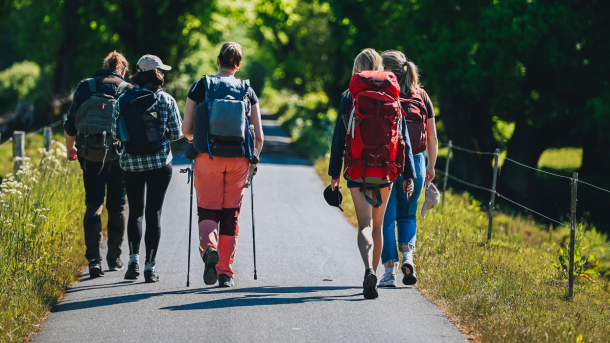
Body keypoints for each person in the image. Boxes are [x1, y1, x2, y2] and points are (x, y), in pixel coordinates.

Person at [328, 48, 416, 299]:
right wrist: (409, 174)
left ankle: (368, 269)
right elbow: (403, 139)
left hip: (357, 168)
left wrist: (335, 173)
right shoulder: (393, 94)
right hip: (386, 171)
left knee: (364, 225)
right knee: (378, 225)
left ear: (357, 68)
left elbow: (338, 138)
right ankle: (374, 277)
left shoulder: (350, 96)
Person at [182, 42, 264, 288]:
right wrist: (253, 162)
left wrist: (200, 142)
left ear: (218, 60)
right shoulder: (247, 90)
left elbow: (186, 129)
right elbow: (258, 136)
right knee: (231, 214)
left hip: (207, 157)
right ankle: (225, 273)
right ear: (238, 65)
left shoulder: (202, 85)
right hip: (239, 159)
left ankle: (209, 250)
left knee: (208, 209)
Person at [111, 54, 184, 283]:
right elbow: (176, 133)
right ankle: (149, 268)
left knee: (136, 212)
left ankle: (132, 261)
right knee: (154, 214)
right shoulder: (166, 100)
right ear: (157, 74)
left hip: (131, 163)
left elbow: (115, 133)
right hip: (160, 164)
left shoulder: (122, 100)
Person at [64, 51, 131, 278]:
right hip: (118, 158)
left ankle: (93, 259)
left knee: (94, 204)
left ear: (103, 66)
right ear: (122, 70)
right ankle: (114, 258)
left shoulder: (86, 86)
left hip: (90, 156)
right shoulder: (126, 89)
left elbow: (70, 124)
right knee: (117, 207)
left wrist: (70, 149)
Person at [378, 51, 438, 288]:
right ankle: (408, 258)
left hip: (389, 162)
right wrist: (431, 166)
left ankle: (389, 273)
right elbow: (432, 137)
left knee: (386, 217)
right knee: (407, 215)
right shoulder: (421, 95)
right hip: (417, 161)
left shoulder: (383, 94)